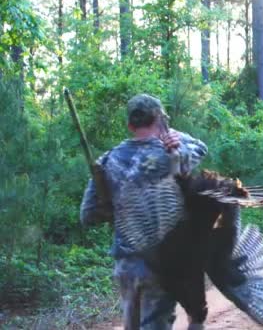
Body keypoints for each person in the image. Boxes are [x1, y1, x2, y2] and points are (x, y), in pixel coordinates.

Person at [79, 94, 208, 330]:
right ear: (161, 120)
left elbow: (87, 215)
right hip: (161, 263)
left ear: (130, 125)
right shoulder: (174, 154)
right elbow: (202, 148)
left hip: (126, 265)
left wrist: (113, 208)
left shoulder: (107, 161)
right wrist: (176, 137)